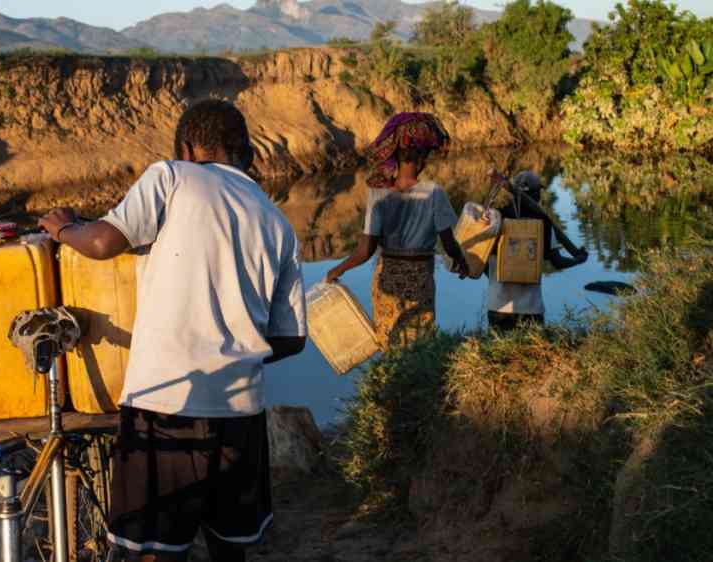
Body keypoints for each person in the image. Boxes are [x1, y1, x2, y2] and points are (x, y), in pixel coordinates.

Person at [38, 99, 307, 562]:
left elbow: (103, 242)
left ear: (187, 146)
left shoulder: (173, 176)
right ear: (245, 153)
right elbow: (291, 338)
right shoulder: (276, 220)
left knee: (157, 549)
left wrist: (63, 230)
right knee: (229, 548)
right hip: (241, 411)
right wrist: (234, 348)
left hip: (167, 404)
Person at [325, 112, 469, 350]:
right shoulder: (434, 192)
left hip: (386, 278)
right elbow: (448, 242)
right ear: (421, 157)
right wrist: (461, 262)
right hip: (419, 277)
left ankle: (392, 382)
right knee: (419, 342)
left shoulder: (378, 192)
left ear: (395, 156)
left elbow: (365, 250)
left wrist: (337, 269)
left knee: (389, 338)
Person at [485, 171, 588, 330]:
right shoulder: (544, 224)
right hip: (530, 308)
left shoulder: (496, 218)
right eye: (539, 191)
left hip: (498, 305)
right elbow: (558, 262)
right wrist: (578, 260)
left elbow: (482, 261)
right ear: (535, 194)